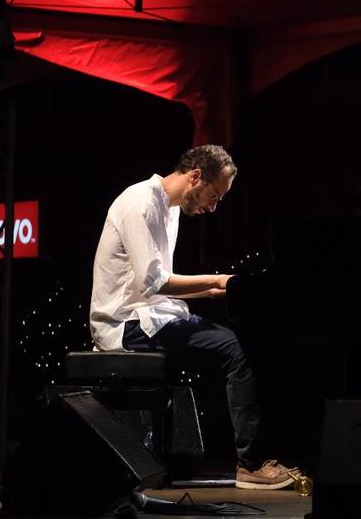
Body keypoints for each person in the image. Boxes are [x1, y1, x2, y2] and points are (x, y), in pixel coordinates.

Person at [89, 144, 294, 490]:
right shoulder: (141, 203)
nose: (212, 207)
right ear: (196, 176)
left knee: (241, 342)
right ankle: (250, 465)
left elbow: (158, 286)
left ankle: (237, 457)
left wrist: (215, 292)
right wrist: (217, 280)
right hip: (125, 324)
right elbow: (153, 281)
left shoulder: (168, 210)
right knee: (235, 350)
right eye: (213, 196)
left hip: (150, 316)